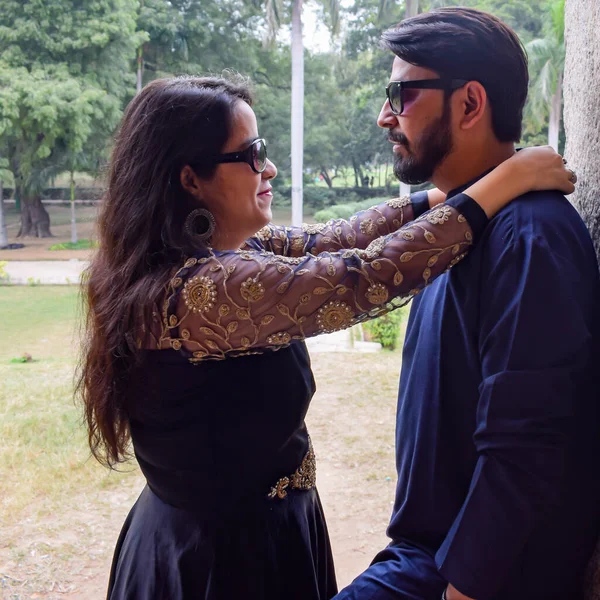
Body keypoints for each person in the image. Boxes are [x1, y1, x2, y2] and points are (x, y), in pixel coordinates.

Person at [77, 74, 575, 600]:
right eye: (250, 154)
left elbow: (335, 238)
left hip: (261, 534)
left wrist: (459, 188)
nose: (268, 167)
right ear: (190, 179)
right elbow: (364, 276)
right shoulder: (200, 291)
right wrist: (507, 180)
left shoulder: (218, 254)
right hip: (217, 564)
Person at [334, 8, 600, 600]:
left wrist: (463, 587)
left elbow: (526, 447)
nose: (385, 116)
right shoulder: (456, 226)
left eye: (401, 95)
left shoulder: (529, 235)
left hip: (458, 577)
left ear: (470, 105)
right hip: (422, 560)